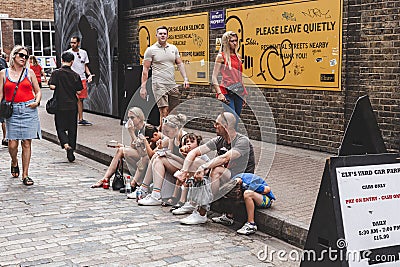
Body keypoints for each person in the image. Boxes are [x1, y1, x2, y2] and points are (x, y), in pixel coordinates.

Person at [177, 112, 255, 225]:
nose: (214, 126)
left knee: (216, 170)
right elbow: (195, 152)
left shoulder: (242, 141)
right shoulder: (219, 140)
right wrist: (184, 171)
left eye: (217, 124)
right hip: (227, 176)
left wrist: (203, 167)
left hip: (242, 179)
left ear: (226, 126)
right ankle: (192, 203)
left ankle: (202, 211)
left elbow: (225, 158)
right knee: (195, 162)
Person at [0, 45, 42, 185]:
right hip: (12, 111)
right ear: (14, 56)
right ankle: (14, 161)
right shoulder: (3, 73)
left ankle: (25, 174)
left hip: (28, 109)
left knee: (26, 143)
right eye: (21, 55)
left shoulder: (29, 73)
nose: (24, 58)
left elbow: (38, 91)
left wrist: (37, 102)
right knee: (12, 144)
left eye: (26, 56)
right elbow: (1, 95)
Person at [91, 108, 161, 189]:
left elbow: (143, 152)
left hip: (148, 157)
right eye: (128, 118)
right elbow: (133, 147)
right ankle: (105, 178)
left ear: (139, 118)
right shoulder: (135, 129)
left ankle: (135, 182)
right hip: (142, 156)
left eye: (132, 118)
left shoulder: (147, 129)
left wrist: (131, 133)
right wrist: (120, 145)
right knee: (121, 150)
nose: (130, 120)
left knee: (136, 155)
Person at [140, 25, 190, 128]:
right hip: (159, 83)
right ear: (156, 35)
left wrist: (185, 78)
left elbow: (180, 64)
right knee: (164, 110)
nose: (162, 35)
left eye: (164, 34)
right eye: (160, 34)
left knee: (173, 112)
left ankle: (169, 135)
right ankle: (162, 137)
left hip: (171, 83)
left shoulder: (173, 48)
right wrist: (143, 87)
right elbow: (145, 69)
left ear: (167, 36)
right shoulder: (151, 50)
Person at [137, 113, 190, 205]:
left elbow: (188, 162)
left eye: (167, 131)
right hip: (178, 165)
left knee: (159, 160)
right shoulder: (172, 138)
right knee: (156, 156)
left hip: (187, 168)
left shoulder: (185, 139)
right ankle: (144, 188)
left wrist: (168, 155)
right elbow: (161, 152)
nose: (165, 134)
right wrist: (161, 148)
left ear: (176, 129)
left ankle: (156, 195)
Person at [48, 51, 83, 162]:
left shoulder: (56, 73)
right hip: (72, 105)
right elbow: (78, 90)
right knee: (72, 128)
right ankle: (72, 147)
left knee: (60, 127)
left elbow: (52, 87)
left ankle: (66, 145)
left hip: (60, 105)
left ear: (62, 60)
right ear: (72, 62)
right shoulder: (75, 75)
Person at [211, 31, 248, 118]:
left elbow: (239, 77)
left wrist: (244, 94)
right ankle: (226, 131)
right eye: (232, 41)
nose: (235, 43)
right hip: (226, 91)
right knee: (231, 117)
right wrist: (219, 93)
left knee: (237, 118)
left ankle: (230, 131)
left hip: (238, 91)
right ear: (226, 42)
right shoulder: (221, 56)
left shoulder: (238, 56)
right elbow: (214, 77)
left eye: (236, 40)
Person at [67, 36, 94, 126]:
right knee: (74, 98)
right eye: (71, 43)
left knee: (80, 99)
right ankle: (71, 118)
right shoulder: (68, 53)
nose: (72, 44)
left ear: (78, 43)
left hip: (82, 78)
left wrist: (89, 74)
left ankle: (80, 119)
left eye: (74, 43)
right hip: (72, 79)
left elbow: (85, 66)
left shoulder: (83, 53)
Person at [0, 51, 9, 146]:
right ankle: (5, 137)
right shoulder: (2, 61)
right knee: (4, 118)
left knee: (3, 118)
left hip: (2, 92)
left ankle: (6, 137)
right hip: (3, 92)